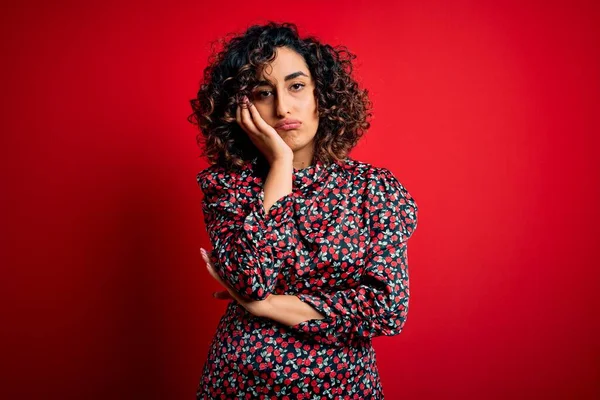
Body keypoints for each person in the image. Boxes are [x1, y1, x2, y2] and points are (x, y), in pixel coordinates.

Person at [189, 21, 419, 400]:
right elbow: (251, 281)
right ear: (243, 107)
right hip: (241, 382)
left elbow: (386, 309)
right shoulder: (228, 187)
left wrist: (265, 307)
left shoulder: (371, 189)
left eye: (296, 86)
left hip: (343, 388)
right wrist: (280, 163)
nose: (282, 107)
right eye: (264, 92)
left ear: (321, 95)